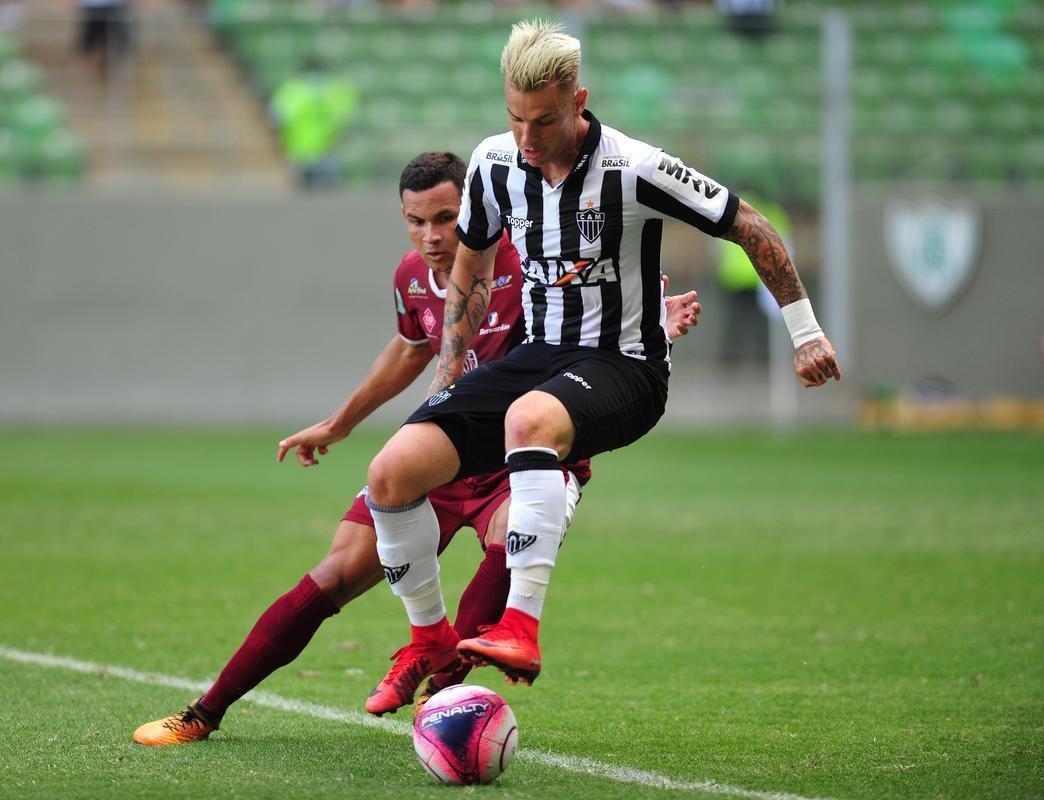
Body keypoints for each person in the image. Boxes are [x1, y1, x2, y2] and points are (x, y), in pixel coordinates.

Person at [131, 151, 701, 744]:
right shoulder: (412, 276)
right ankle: (204, 712)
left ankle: (439, 683)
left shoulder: (529, 259)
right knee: (336, 571)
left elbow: (598, 318)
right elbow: (408, 349)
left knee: (511, 539)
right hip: (445, 454)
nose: (431, 236)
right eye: (416, 221)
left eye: (446, 218)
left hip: (521, 454)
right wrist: (339, 423)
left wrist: (651, 320)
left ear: (475, 210)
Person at [361, 19, 841, 705]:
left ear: (578, 100)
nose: (527, 137)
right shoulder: (494, 163)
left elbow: (751, 226)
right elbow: (471, 261)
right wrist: (449, 369)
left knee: (528, 421)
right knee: (391, 471)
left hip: (626, 365)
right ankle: (430, 638)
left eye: (544, 120)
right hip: (538, 358)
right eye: (515, 118)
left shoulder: (636, 168)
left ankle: (520, 627)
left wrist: (806, 332)